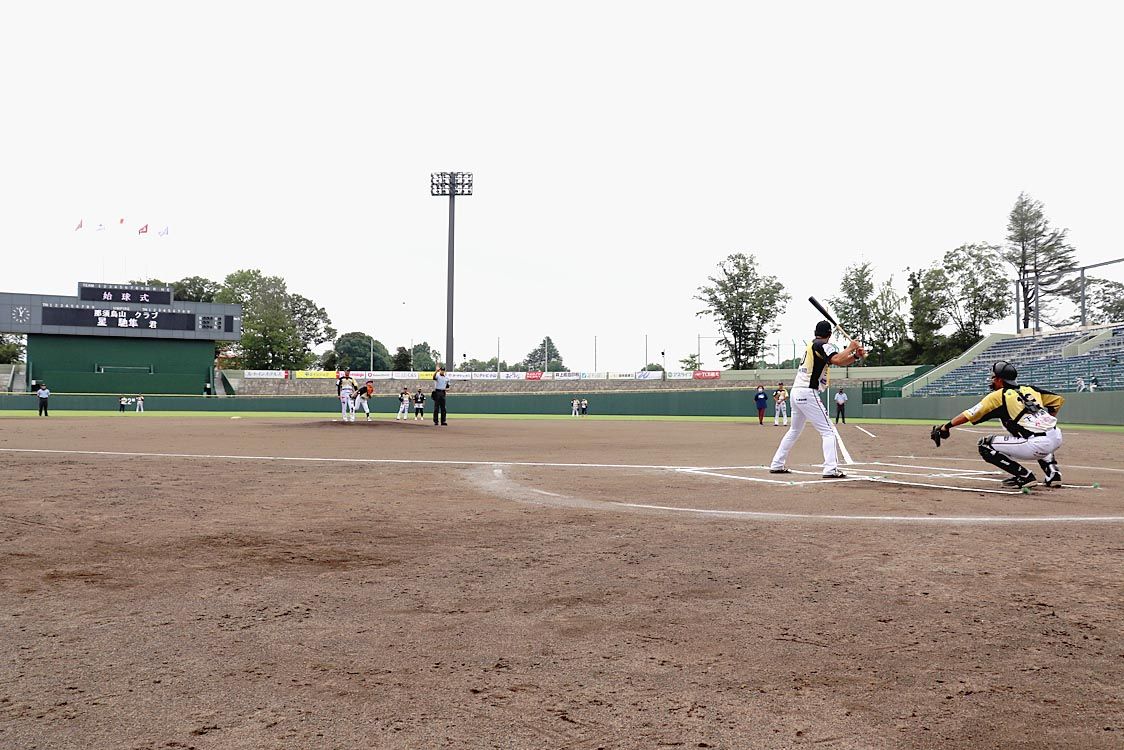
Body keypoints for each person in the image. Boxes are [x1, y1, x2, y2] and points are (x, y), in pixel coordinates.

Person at [928, 360, 1064, 489]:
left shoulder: (998, 395)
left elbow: (969, 414)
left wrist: (946, 426)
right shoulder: (1030, 389)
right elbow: (1057, 401)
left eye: (993, 378)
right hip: (1056, 436)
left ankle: (1024, 476)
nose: (991, 380)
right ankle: (1053, 473)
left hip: (1037, 445)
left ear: (999, 380)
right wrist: (1045, 420)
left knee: (984, 445)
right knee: (1033, 433)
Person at [769, 321, 865, 478]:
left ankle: (777, 464)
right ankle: (830, 469)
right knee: (828, 431)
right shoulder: (823, 345)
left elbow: (839, 361)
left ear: (816, 332)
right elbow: (837, 359)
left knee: (794, 430)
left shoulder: (814, 345)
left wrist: (855, 356)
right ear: (829, 334)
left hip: (796, 391)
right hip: (808, 392)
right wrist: (851, 347)